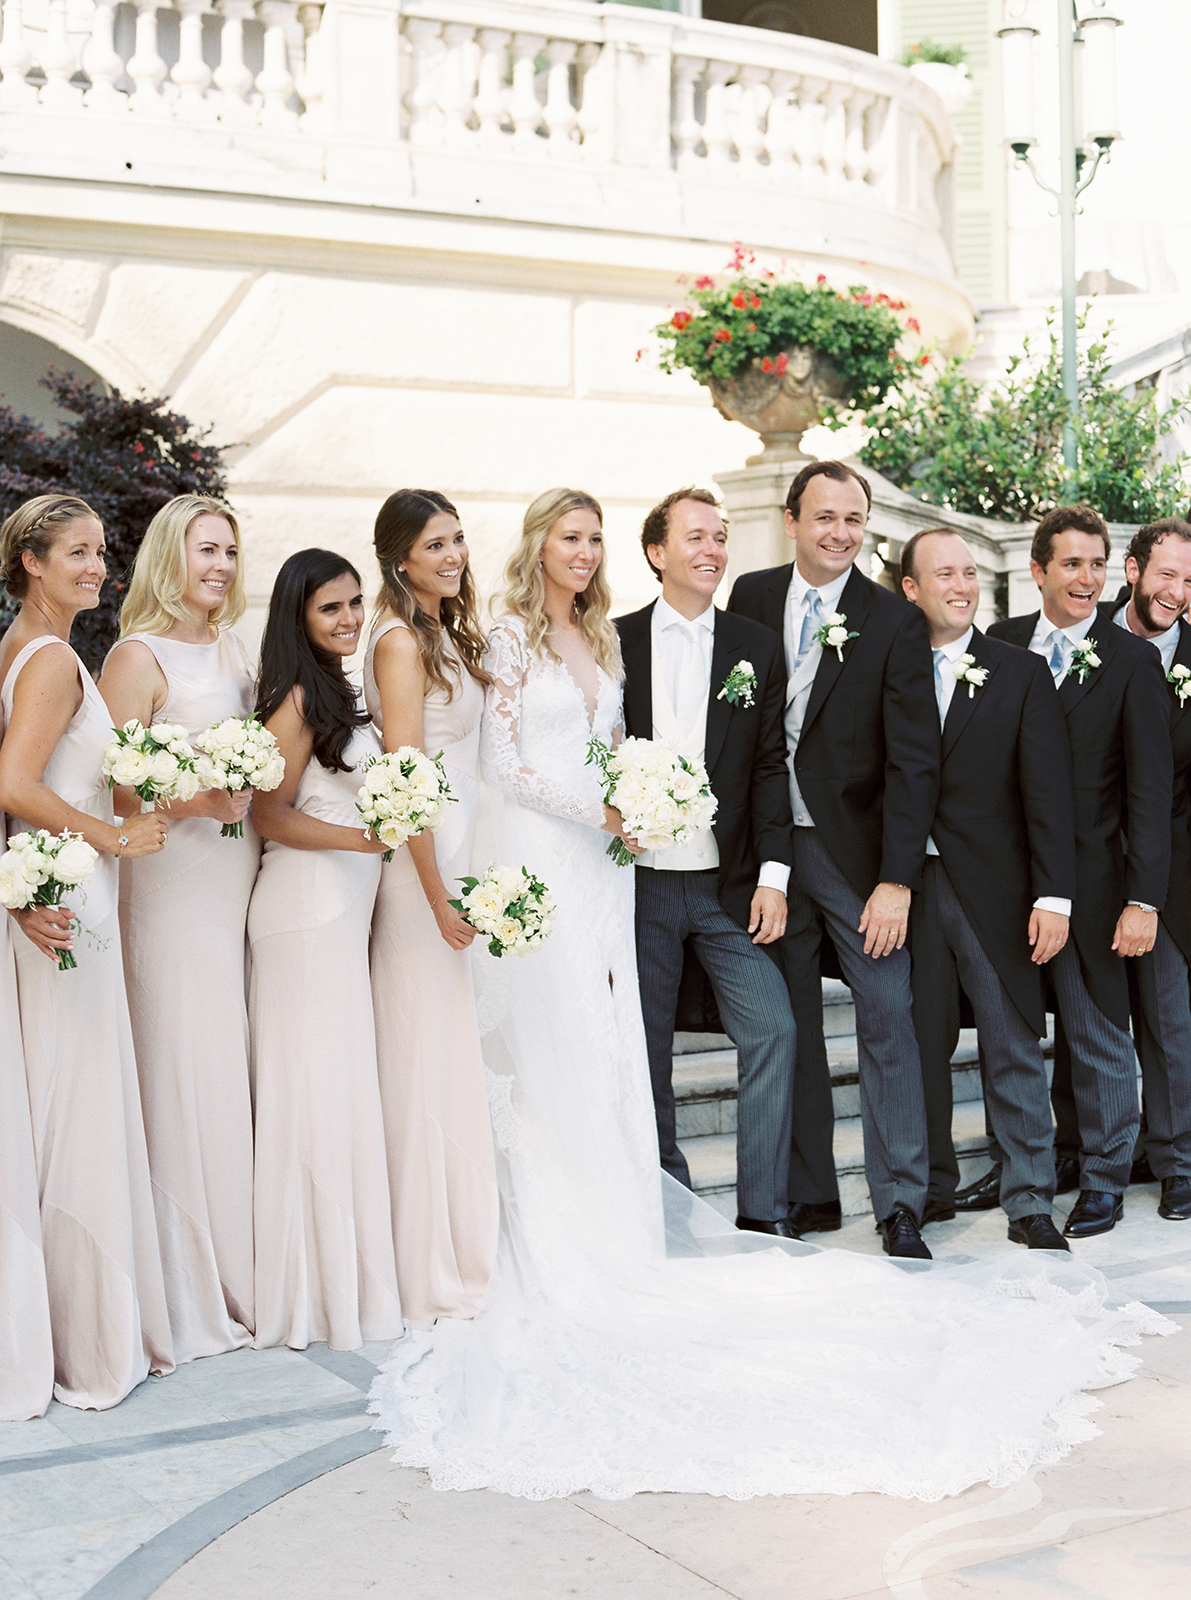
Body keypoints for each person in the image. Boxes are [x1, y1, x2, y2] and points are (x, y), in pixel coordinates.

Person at [368, 492, 1169, 1505]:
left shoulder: (852, 616)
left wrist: (805, 867)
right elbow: (504, 754)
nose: (587, 551)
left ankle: (842, 1205)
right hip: (599, 858)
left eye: (592, 536)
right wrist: (618, 812)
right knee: (594, 1041)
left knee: (811, 1028)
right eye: (575, 536)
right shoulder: (582, 631)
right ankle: (588, 1217)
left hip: (766, 860)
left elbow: (863, 750)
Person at [727, 460, 940, 1258]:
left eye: (854, 520)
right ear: (791, 521)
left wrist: (894, 881)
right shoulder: (748, 596)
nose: (840, 534)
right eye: (825, 518)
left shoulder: (891, 621)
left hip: (855, 857)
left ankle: (900, 1203)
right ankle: (807, 1192)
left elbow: (914, 763)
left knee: (887, 1017)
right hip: (767, 856)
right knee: (791, 1024)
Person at [0, 493, 173, 1408]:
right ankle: (88, 1340)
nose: (97, 566)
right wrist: (111, 839)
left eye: (101, 551)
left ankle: (75, 1322)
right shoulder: (56, 662)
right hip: (74, 900)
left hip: (49, 894)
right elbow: (15, 783)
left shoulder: (21, 650)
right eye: (76, 552)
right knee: (77, 1106)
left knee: (58, 1101)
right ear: (31, 560)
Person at [964, 504, 1172, 1240]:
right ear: (1037, 570)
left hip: (1093, 887)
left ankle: (1104, 1179)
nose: (1087, 579)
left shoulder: (1131, 662)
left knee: (1095, 1035)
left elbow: (1148, 795)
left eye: (1096, 564)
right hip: (1001, 880)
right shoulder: (995, 644)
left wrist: (1143, 898)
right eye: (1071, 564)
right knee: (1010, 1036)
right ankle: (1019, 1162)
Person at [98, 495, 257, 1362]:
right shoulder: (136, 656)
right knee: (177, 1056)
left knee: (220, 1056)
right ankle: (179, 1279)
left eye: (230, 551)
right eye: (206, 550)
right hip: (168, 879)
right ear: (171, 556)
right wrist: (200, 798)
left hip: (230, 876)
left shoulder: (234, 652)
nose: (222, 566)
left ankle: (232, 1258)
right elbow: (110, 790)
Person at [616, 487, 798, 1234]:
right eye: (694, 536)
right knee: (646, 1047)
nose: (712, 550)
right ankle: (670, 1201)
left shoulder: (754, 644)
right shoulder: (612, 640)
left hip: (725, 885)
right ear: (657, 553)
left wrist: (774, 877)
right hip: (639, 887)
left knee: (773, 1029)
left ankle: (762, 1213)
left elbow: (767, 769)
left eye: (720, 537)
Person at [900, 528, 1075, 1250]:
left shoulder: (1018, 671)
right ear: (910, 589)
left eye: (969, 573)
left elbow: (1047, 793)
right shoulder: (888, 666)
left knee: (1010, 1040)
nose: (962, 586)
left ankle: (1029, 1196)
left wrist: (1053, 895)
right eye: (944, 574)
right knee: (916, 1042)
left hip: (995, 889)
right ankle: (924, 1193)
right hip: (906, 885)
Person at [248, 548, 402, 1351]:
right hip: (302, 917)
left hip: (338, 916)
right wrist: (366, 836)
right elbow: (267, 813)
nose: (346, 621)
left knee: (335, 1091)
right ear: (297, 618)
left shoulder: (337, 688)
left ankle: (343, 1280)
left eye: (352, 606)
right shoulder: (299, 698)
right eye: (328, 610)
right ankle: (311, 1292)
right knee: (311, 1095)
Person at [364, 491, 499, 1328]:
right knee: (425, 1048)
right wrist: (435, 890)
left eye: (456, 539)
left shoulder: (442, 630)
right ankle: (428, 1258)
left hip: (463, 845)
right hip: (424, 864)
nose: (451, 554)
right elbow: (403, 779)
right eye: (434, 544)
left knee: (453, 1048)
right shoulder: (398, 642)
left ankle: (462, 1231)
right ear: (399, 558)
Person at [1110, 519, 1191, 1221]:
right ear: (1132, 568)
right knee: (1087, 1018)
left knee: (1167, 1018)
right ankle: (1088, 1150)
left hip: (1168, 868)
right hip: (1073, 866)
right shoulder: (1080, 641)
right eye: (1166, 574)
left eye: (1190, 581)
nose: (1177, 592)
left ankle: (1176, 1159)